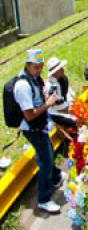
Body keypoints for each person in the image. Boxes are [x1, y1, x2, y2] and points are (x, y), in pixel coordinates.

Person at [13, 49, 63, 214]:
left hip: (40, 125)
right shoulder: (22, 85)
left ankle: (56, 177)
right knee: (46, 161)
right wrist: (48, 103)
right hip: (32, 128)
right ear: (27, 65)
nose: (39, 70)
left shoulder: (34, 78)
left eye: (41, 67)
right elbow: (29, 115)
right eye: (36, 67)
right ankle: (43, 200)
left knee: (47, 151)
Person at [44, 56, 77, 133]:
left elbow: (68, 95)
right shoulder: (51, 86)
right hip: (57, 112)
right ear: (54, 72)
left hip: (66, 106)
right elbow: (58, 107)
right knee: (75, 122)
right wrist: (71, 111)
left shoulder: (62, 79)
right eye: (59, 69)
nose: (62, 69)